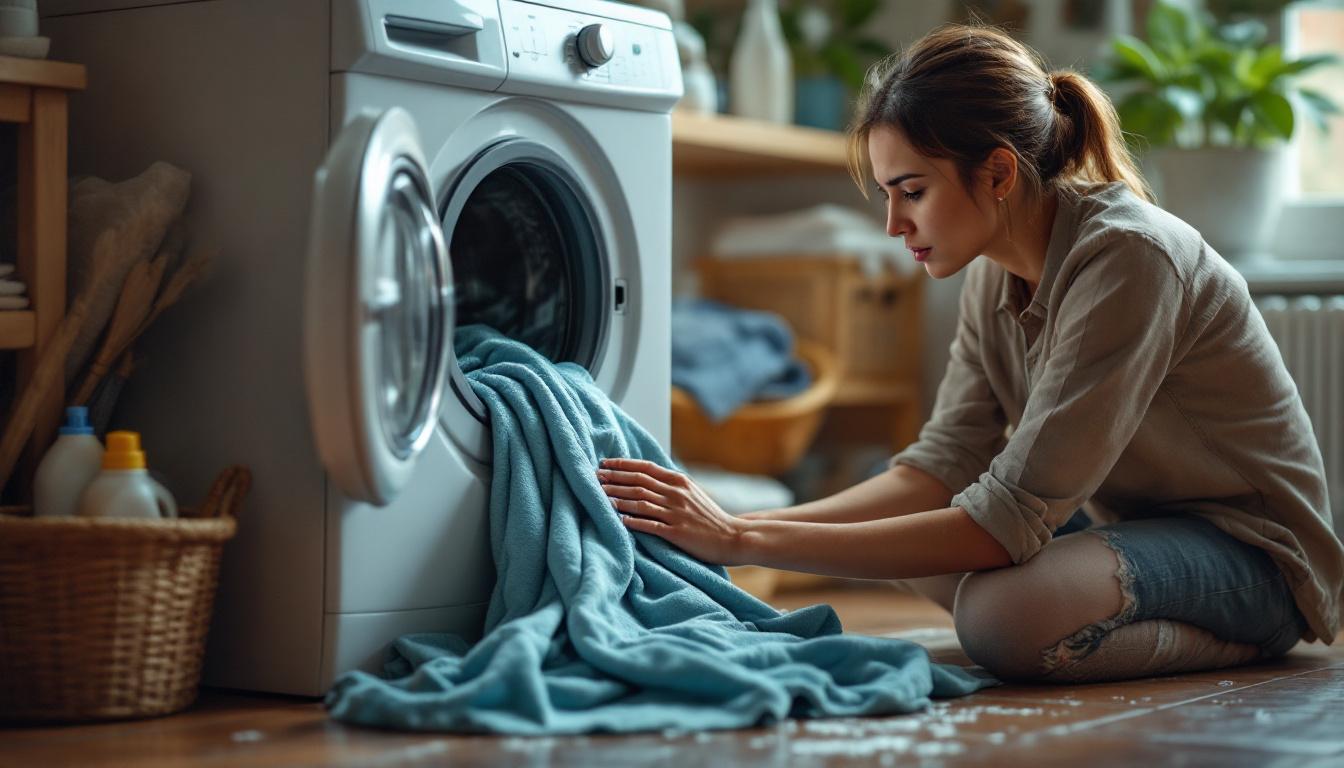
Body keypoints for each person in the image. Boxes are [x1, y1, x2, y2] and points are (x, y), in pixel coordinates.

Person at [597, 23, 1344, 684]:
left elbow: (1005, 519)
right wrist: (735, 525)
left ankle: (1239, 640)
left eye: (911, 191)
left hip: (1254, 557)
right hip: (1134, 535)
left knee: (999, 615)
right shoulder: (996, 272)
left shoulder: (1131, 258)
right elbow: (940, 466)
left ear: (998, 172)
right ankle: (1059, 617)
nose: (894, 223)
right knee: (941, 556)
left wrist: (742, 539)